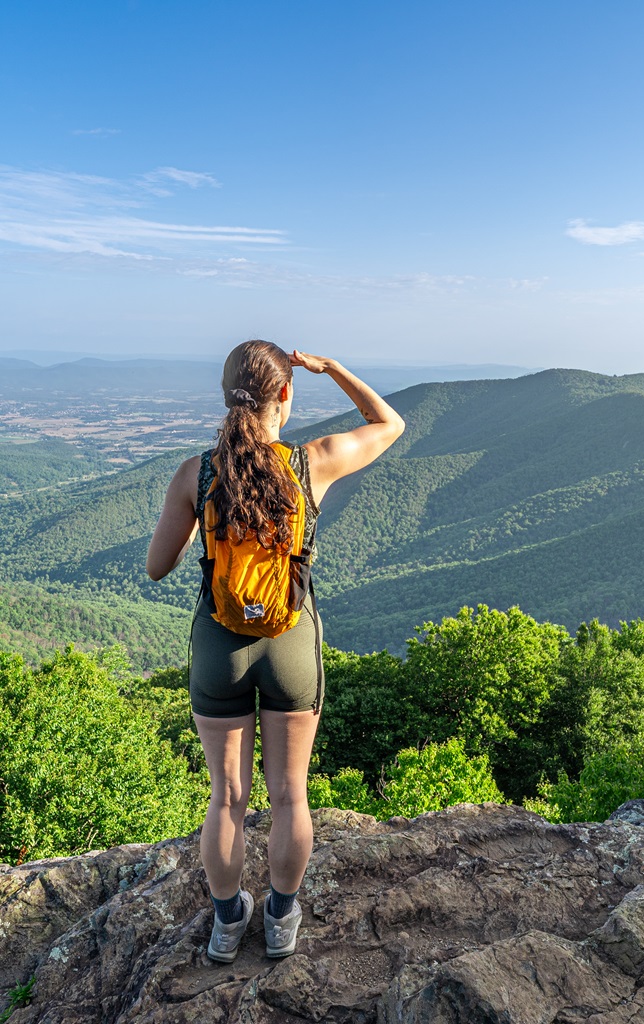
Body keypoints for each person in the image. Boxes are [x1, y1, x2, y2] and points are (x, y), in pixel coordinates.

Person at [146, 340, 404, 963]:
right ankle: (282, 917)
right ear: (284, 395)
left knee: (226, 796)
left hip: (219, 647)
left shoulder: (197, 473)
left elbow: (157, 568)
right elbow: (389, 423)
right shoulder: (312, 462)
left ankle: (228, 920)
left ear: (225, 394)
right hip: (291, 645)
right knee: (290, 794)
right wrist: (333, 367)